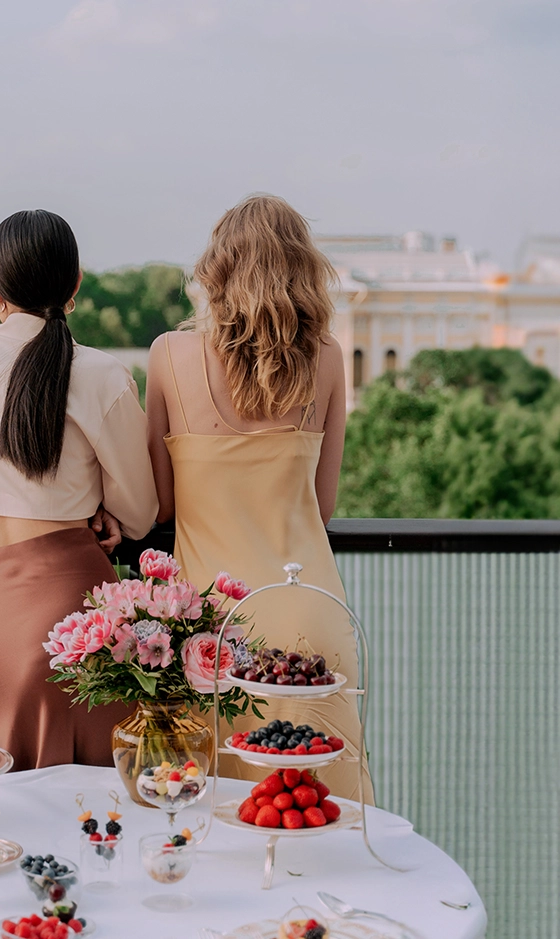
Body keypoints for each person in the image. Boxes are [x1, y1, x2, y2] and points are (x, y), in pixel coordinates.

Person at [145, 194, 373, 803]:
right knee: (318, 809)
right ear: (303, 267)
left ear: (217, 267)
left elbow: (160, 507)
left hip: (211, 631)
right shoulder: (326, 357)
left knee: (212, 814)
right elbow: (320, 509)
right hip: (307, 610)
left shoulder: (169, 355)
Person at [0, 209, 158, 769]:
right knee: (99, 813)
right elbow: (141, 513)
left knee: (1, 804)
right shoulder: (101, 374)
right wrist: (101, 507)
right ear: (75, 283)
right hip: (78, 612)